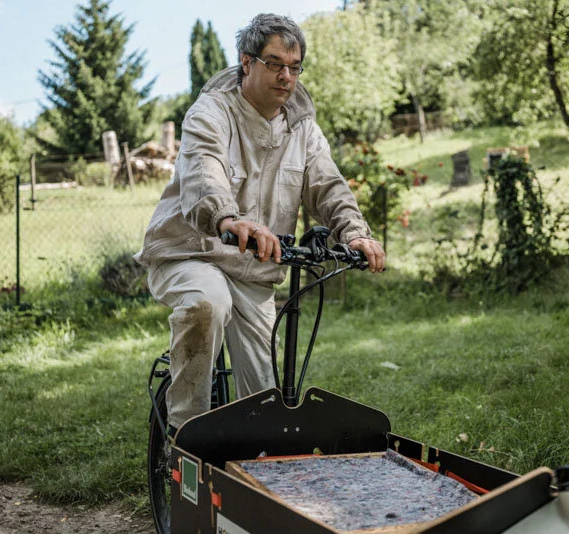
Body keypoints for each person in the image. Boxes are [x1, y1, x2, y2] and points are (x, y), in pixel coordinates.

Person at [135, 13, 385, 434]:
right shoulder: (210, 113)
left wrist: (355, 233)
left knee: (265, 409)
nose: (286, 76)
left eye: (294, 66)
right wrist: (228, 219)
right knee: (206, 303)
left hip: (254, 271)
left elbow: (328, 185)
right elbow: (203, 172)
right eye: (274, 63)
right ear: (246, 62)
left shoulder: (304, 129)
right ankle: (183, 439)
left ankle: (251, 475)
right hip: (191, 253)